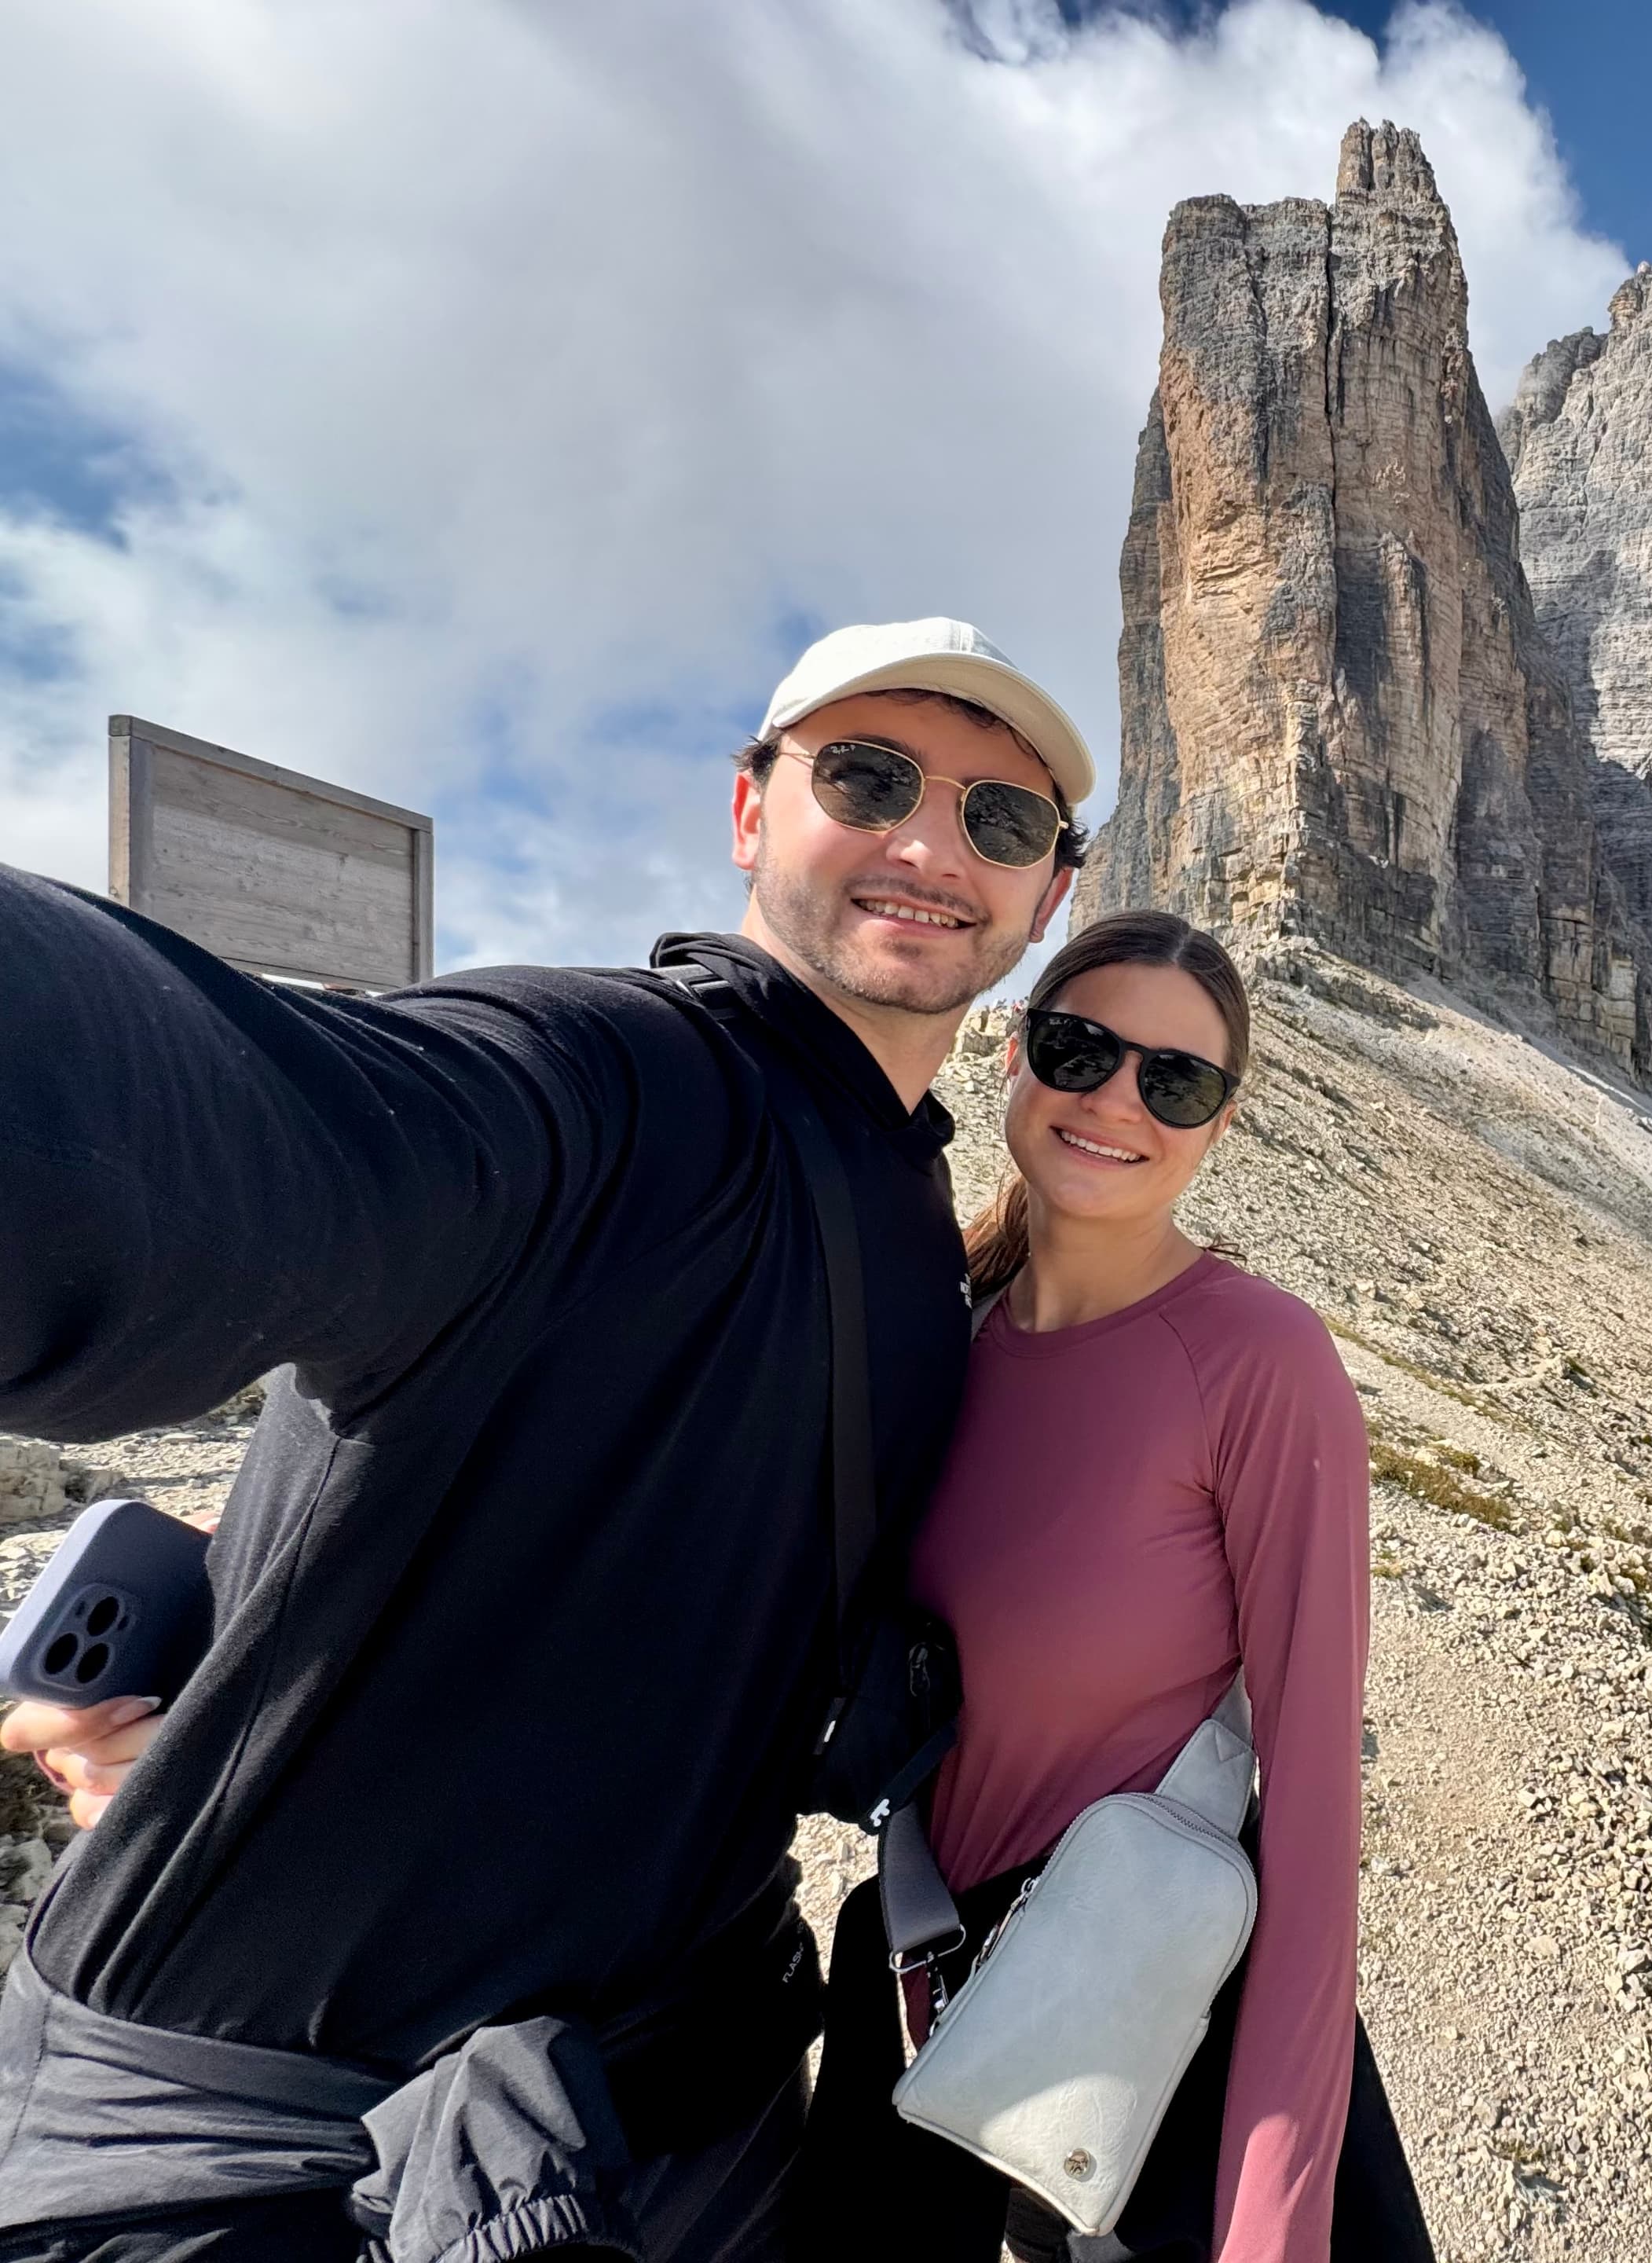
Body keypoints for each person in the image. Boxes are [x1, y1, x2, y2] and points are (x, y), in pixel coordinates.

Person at [0, 618, 1087, 2260]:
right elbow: (208, 1117)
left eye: (1002, 821)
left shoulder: (919, 1218)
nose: (935, 844)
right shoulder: (607, 1075)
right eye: (870, 778)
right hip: (261, 2165)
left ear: (1049, 894)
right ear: (750, 812)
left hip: (691, 2112)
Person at [797, 912, 1427, 2263]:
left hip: (1165, 1997)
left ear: (1218, 1123)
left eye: (1176, 1081)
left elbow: (1312, 1819)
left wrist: (1275, 2225)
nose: (1117, 1101)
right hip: (933, 1968)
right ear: (1015, 1053)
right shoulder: (940, 1329)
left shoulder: (1261, 1361)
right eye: (1081, 1049)